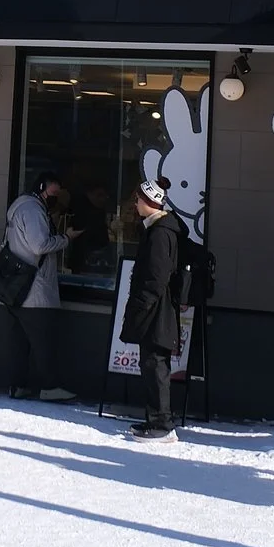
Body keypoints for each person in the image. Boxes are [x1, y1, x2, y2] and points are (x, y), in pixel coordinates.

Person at [120, 180, 187, 442]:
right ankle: (156, 419)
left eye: (137, 199)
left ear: (148, 201)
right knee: (151, 363)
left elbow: (157, 276)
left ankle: (162, 425)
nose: (135, 204)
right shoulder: (160, 228)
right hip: (158, 307)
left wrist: (142, 303)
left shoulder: (160, 233)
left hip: (156, 309)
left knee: (155, 364)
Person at [4, 172, 79, 401]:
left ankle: (18, 385)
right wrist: (66, 238)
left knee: (22, 341)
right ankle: (49, 386)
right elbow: (39, 245)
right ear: (43, 186)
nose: (58, 196)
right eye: (55, 191)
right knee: (42, 340)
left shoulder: (23, 205)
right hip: (33, 288)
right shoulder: (33, 209)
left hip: (17, 286)